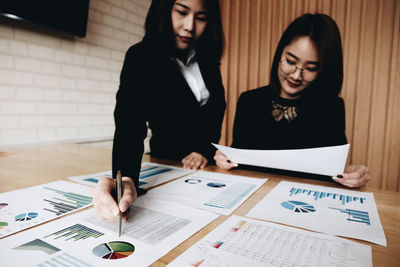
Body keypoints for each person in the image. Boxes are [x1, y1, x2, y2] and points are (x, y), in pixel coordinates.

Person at [94, 0, 226, 221]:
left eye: (201, 18)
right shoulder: (141, 56)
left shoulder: (208, 60)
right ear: (164, 10)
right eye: (182, 12)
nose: (189, 26)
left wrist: (203, 150)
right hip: (166, 161)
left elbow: (215, 113)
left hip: (205, 168)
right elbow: (130, 124)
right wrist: (126, 178)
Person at [214, 13, 371, 188]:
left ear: (323, 70)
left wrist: (353, 174)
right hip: (252, 199)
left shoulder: (331, 108)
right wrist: (224, 160)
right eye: (290, 61)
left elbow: (334, 174)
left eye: (310, 68)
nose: (296, 75)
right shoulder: (250, 101)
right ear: (279, 53)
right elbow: (238, 164)